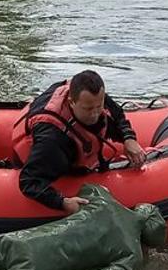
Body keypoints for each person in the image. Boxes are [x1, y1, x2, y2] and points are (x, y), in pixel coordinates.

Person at [12, 70, 147, 214]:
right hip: (48, 155)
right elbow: (29, 181)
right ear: (72, 102)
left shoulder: (94, 97)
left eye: (99, 106)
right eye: (88, 109)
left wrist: (129, 138)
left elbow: (117, 114)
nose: (95, 113)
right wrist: (63, 203)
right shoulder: (53, 139)